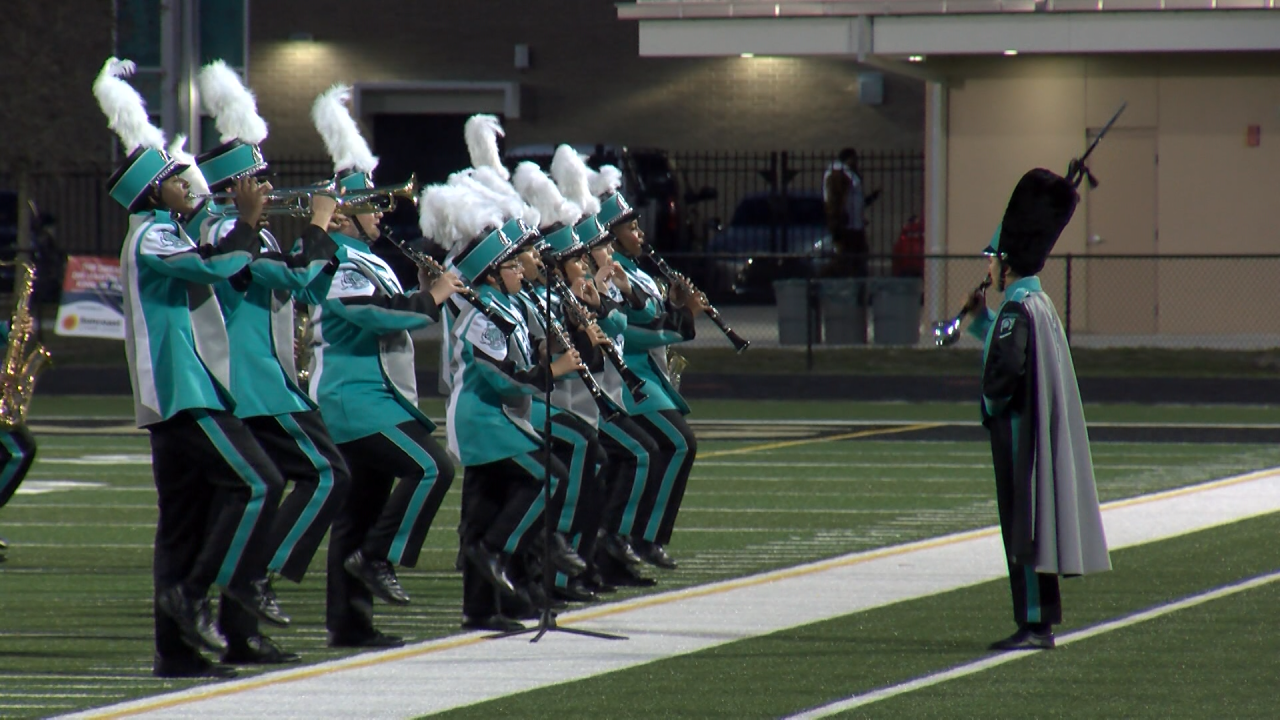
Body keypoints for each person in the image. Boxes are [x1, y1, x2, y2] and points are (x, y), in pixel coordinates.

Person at [94, 57, 286, 680]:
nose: (189, 183)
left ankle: (174, 652)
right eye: (177, 180)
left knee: (183, 523)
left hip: (190, 390)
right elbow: (213, 267)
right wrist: (249, 223)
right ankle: (202, 591)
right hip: (183, 390)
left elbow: (215, 261)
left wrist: (243, 229)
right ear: (153, 192)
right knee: (259, 482)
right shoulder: (152, 234)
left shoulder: (165, 230)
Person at [182, 60, 351, 666]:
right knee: (327, 475)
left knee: (283, 489)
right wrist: (322, 225)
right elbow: (300, 277)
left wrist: (317, 235)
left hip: (272, 381)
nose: (269, 185)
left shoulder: (248, 232)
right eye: (258, 177)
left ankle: (242, 629)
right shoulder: (229, 228)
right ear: (236, 186)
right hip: (255, 386)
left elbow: (306, 289)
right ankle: (256, 577)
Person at [306, 85, 464, 649]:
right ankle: (380, 557)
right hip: (354, 396)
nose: (380, 212)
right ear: (344, 218)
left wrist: (424, 288)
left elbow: (390, 310)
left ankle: (349, 624)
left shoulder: (368, 257)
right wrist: (434, 297)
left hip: (374, 395)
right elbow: (370, 315)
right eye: (369, 205)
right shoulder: (343, 261)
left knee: (357, 511)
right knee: (433, 467)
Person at [964, 168, 1111, 651]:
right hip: (1032, 430)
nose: (988, 268)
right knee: (1033, 526)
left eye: (992, 259)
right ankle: (1039, 617)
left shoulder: (1016, 309)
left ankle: (1033, 621)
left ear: (1006, 261)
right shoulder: (1036, 303)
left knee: (1021, 529)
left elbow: (1004, 373)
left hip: (1016, 433)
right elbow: (1009, 347)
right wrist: (978, 322)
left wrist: (988, 406)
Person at [822, 148, 880, 278]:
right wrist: (837, 221)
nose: (857, 163)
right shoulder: (838, 173)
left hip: (854, 226)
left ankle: (858, 286)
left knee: (856, 259)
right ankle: (823, 280)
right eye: (854, 159)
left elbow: (853, 201)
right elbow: (835, 200)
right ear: (849, 159)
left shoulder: (849, 174)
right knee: (845, 260)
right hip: (847, 227)